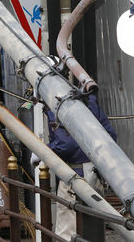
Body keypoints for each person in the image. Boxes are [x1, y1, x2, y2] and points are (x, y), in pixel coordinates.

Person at [32, 94, 117, 241]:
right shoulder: (90, 100)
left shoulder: (55, 104)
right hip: (95, 171)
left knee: (68, 228)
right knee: (93, 227)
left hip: (74, 174)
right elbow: (110, 136)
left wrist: (44, 151)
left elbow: (66, 145)